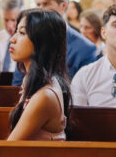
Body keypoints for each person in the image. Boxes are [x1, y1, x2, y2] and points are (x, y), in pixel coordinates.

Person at [13, 0, 97, 86]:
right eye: (38, 4)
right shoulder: (27, 40)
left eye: (46, 4)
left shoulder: (86, 48)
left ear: (63, 5)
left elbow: (81, 90)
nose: (40, 9)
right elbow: (17, 85)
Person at [7, 8, 70, 141]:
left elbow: (11, 146)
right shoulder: (31, 80)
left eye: (22, 33)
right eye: (16, 32)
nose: (12, 39)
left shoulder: (45, 96)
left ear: (42, 41)